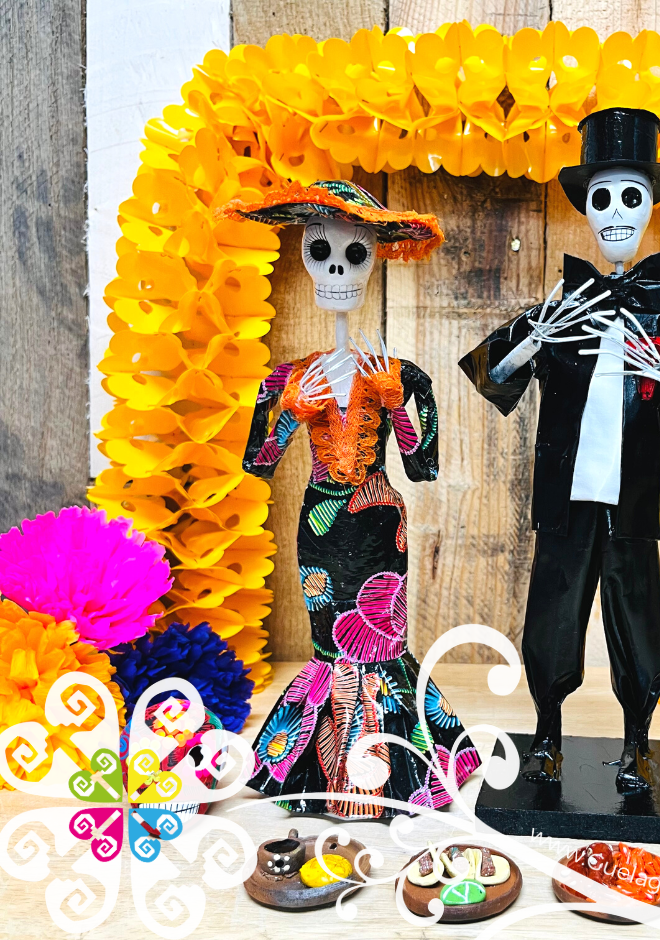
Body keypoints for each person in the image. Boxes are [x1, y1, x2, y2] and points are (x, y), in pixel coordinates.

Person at [460, 109, 660, 794]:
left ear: (649, 207)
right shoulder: (557, 314)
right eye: (602, 197)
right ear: (586, 207)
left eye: (630, 196)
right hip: (565, 505)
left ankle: (637, 742)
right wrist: (532, 340)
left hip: (631, 506)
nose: (615, 213)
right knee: (552, 619)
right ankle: (547, 734)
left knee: (636, 622)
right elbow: (488, 374)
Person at [224, 180, 480, 817]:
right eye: (321, 251)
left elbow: (421, 467)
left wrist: (396, 407)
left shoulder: (402, 376)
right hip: (319, 525)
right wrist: (290, 411)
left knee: (381, 641)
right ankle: (325, 768)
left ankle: (395, 774)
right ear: (305, 256)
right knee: (327, 644)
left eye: (355, 253)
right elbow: (257, 463)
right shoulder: (287, 379)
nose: (337, 269)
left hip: (380, 525)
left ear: (375, 260)